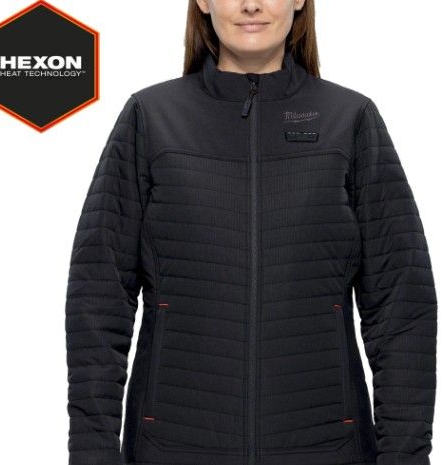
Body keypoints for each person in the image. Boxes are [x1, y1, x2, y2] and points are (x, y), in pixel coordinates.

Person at [64, 1, 438, 465]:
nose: (251, 4)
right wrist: (93, 453)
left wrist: (405, 456)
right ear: (203, 2)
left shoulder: (350, 120)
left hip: (326, 451)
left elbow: (402, 305)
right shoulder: (151, 118)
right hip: (173, 450)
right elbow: (97, 297)